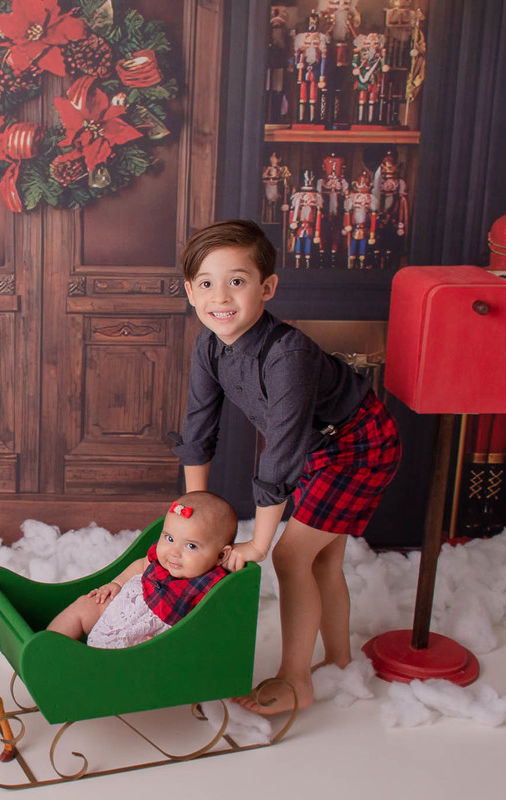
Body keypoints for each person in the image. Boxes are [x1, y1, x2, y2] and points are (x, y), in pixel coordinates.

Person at [172, 219, 401, 714]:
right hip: (317, 448)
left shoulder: (287, 353)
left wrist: (258, 544)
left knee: (290, 557)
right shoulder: (209, 345)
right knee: (324, 561)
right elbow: (199, 427)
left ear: (267, 287)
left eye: (237, 281)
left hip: (359, 445)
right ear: (190, 292)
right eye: (206, 284)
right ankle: (339, 660)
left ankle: (296, 681)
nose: (220, 297)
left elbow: (280, 451)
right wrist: (191, 512)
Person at [47, 491, 237, 649]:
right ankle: (46, 650)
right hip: (124, 605)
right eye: (169, 538)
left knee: (133, 657)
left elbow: (201, 626)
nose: (174, 552)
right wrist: (117, 583)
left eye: (191, 546)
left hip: (150, 636)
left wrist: (164, 642)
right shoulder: (160, 559)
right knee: (84, 606)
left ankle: (88, 667)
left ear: (221, 556)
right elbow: (141, 565)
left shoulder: (209, 584)